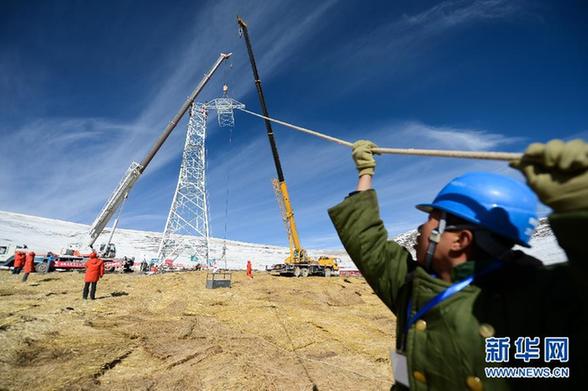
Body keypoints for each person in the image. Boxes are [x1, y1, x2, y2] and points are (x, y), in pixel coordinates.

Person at [328, 139, 587, 390]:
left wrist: (578, 206)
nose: (420, 229)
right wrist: (365, 173)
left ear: (460, 240)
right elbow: (365, 239)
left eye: (430, 219)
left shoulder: (540, 296)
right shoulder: (414, 283)